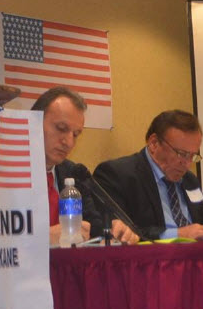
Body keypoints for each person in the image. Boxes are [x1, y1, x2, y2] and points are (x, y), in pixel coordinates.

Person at [93, 110, 203, 241]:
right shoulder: (117, 175)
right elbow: (121, 232)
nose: (187, 164)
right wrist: (178, 234)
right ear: (154, 143)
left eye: (193, 156)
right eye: (181, 154)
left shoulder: (189, 180)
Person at [34, 87, 139, 246]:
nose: (69, 142)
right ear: (34, 121)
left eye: (75, 135)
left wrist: (112, 232)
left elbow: (94, 227)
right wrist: (42, 238)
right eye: (61, 128)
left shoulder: (73, 173)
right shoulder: (5, 172)